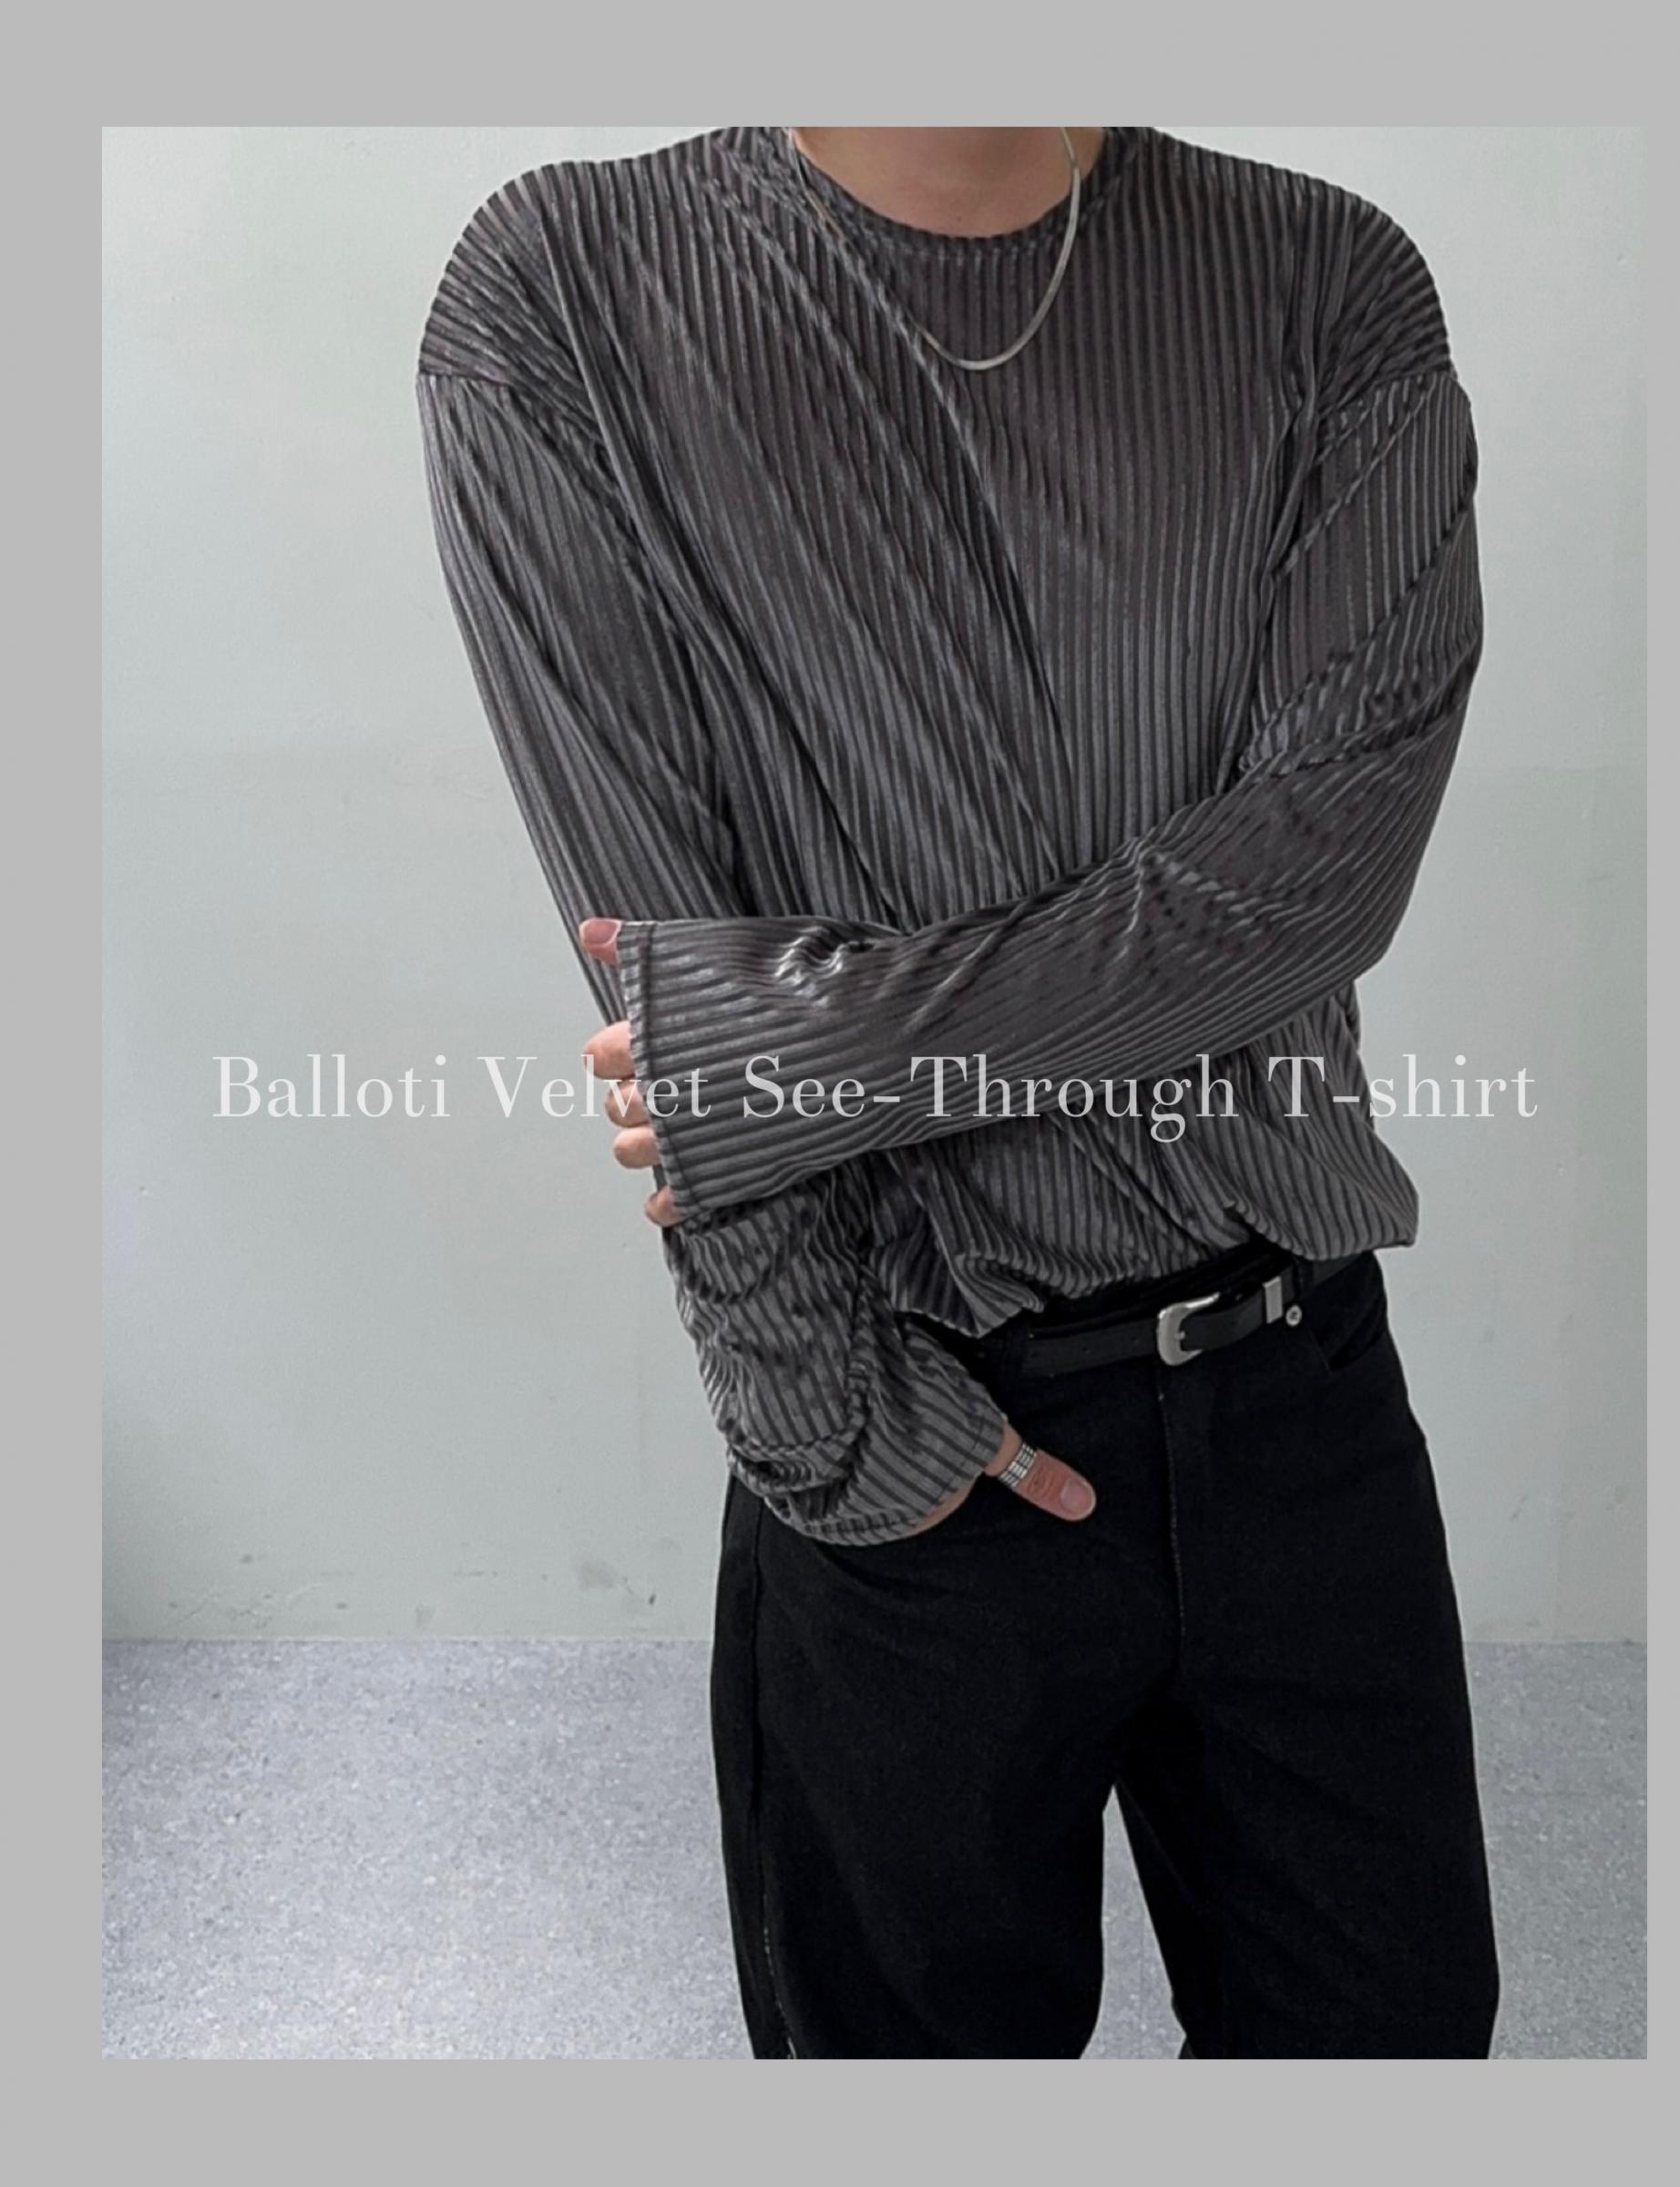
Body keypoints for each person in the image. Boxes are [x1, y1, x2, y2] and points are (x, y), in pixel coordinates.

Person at [415, 124, 1500, 2059]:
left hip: (1299, 1393)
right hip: (918, 1426)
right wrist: (831, 1424)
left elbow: (1315, 885)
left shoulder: (1329, 284)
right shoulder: (562, 293)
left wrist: (787, 1050)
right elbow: (647, 940)